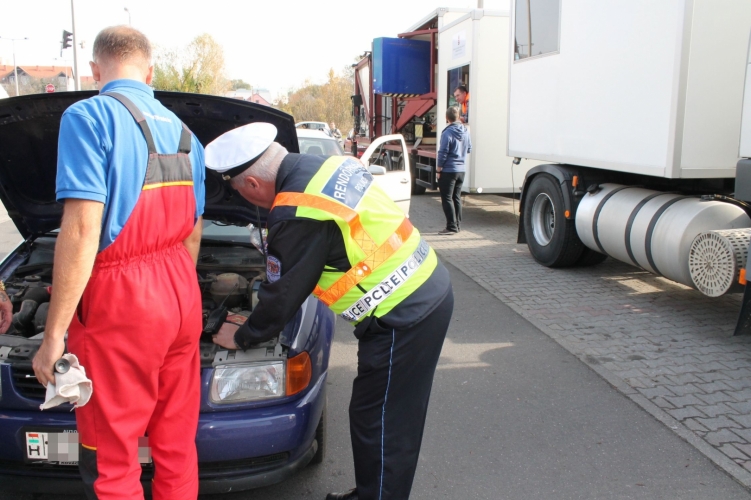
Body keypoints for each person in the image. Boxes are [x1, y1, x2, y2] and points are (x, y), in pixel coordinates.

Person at [206, 123, 454, 500]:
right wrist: (256, 322)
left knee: (382, 423)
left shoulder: (296, 210)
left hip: (403, 313)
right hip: (423, 286)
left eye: (240, 191)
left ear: (253, 184)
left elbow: (284, 293)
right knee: (385, 417)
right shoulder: (325, 166)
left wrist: (242, 335)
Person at [31, 26, 205, 499]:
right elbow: (193, 231)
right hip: (181, 292)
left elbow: (82, 231)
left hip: (122, 301)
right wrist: (177, 295)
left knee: (112, 455)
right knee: (175, 442)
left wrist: (53, 336)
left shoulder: (88, 117)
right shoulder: (186, 134)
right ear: (150, 73)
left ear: (95, 70)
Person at [436, 106, 472, 235]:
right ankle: (457, 225)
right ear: (458, 117)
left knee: (447, 198)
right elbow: (469, 148)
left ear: (447, 118)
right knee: (456, 197)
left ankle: (451, 227)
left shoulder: (447, 132)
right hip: (461, 170)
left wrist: (438, 169)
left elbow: (443, 152)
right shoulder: (465, 131)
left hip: (448, 170)